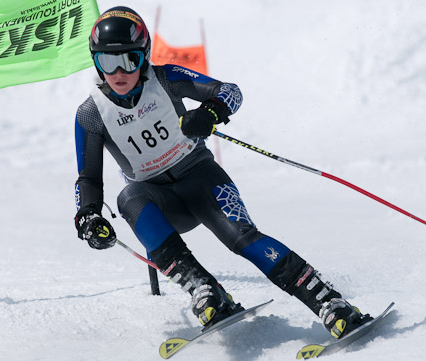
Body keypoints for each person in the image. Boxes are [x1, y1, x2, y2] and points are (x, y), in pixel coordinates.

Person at [73, 6, 370, 339]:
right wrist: (87, 215)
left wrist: (211, 112)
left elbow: (230, 91)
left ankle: (328, 301)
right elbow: (88, 178)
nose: (117, 72)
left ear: (143, 57)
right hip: (158, 202)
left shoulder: (167, 79)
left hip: (202, 181)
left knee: (242, 239)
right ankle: (205, 290)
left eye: (128, 60)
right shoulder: (90, 115)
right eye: (105, 62)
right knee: (128, 196)